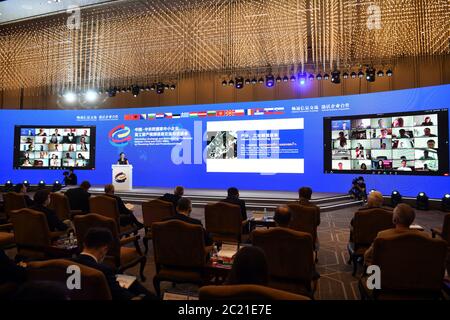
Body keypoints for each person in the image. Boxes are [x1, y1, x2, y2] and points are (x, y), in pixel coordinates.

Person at [72, 228, 155, 300]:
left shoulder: (65, 263)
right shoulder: (105, 271)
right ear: (104, 249)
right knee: (132, 283)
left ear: (84, 244)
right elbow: (123, 296)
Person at [364, 203, 428, 265]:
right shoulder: (424, 236)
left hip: (387, 273)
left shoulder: (382, 235)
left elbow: (367, 255)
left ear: (394, 219)